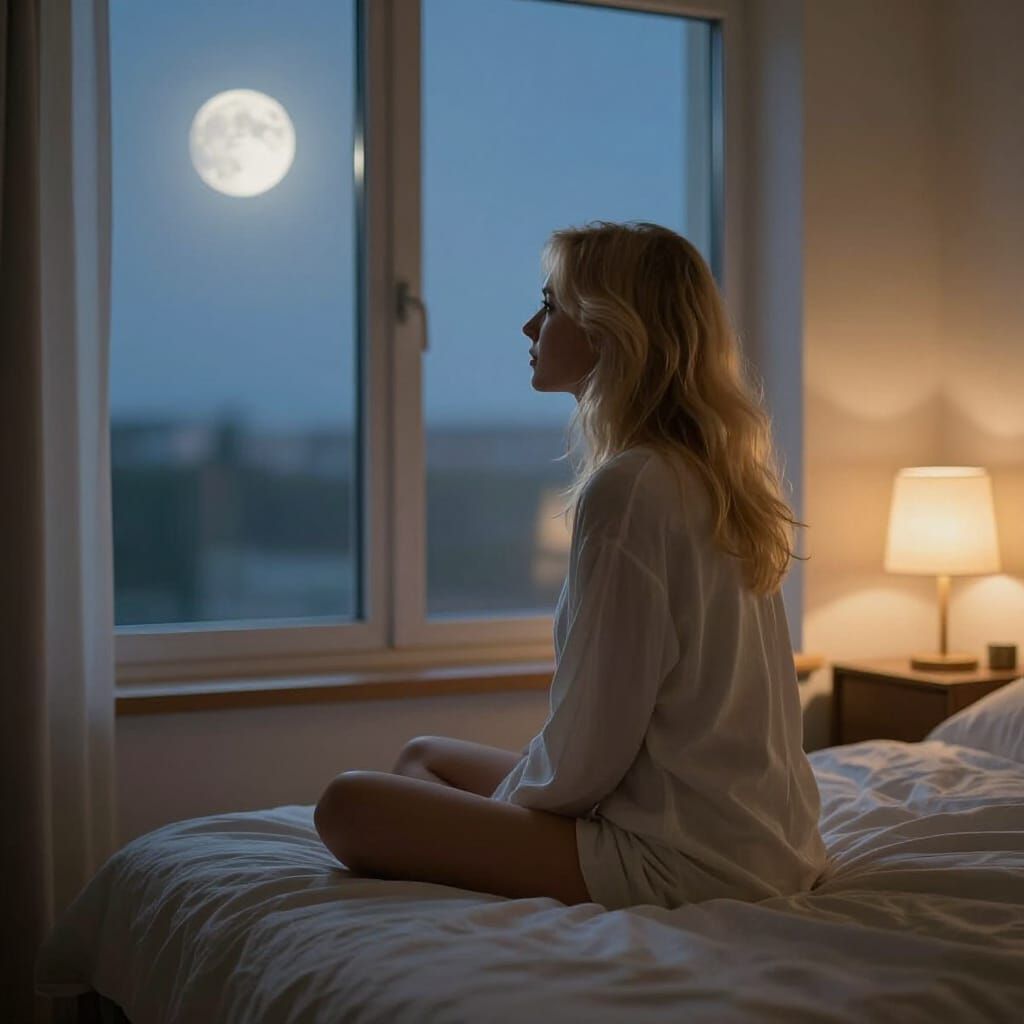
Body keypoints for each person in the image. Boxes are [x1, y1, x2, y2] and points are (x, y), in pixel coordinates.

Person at [313, 220, 828, 911]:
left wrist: (504, 821)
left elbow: (590, 751)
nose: (530, 326)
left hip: (689, 859)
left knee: (348, 805)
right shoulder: (707, 476)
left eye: (551, 305)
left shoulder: (634, 489)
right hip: (763, 843)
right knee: (423, 756)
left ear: (609, 329)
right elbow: (601, 742)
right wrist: (498, 814)